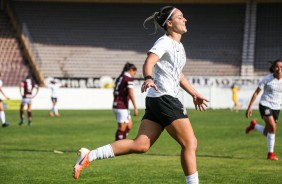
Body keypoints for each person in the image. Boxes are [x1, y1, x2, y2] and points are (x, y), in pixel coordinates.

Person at [73, 6, 208, 184]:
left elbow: (179, 76)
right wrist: (149, 77)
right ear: (169, 23)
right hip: (164, 98)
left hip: (156, 99)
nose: (185, 20)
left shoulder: (179, 47)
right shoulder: (164, 42)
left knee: (141, 145)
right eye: (180, 17)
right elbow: (149, 61)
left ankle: (89, 155)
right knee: (190, 143)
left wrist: (194, 93)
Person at [245, 59, 282, 161]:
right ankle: (271, 154)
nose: (279, 69)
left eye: (281, 67)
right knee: (273, 128)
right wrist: (249, 107)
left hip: (277, 107)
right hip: (265, 105)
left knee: (269, 131)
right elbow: (256, 92)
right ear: (274, 68)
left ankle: (254, 125)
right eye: (277, 67)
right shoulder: (267, 79)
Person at [113, 62, 138, 140]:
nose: (134, 74)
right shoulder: (128, 78)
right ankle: (116, 147)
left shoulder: (120, 77)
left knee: (129, 125)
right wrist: (135, 107)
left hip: (119, 105)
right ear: (131, 70)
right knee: (122, 128)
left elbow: (114, 92)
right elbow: (131, 94)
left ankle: (122, 143)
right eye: (134, 72)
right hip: (121, 106)